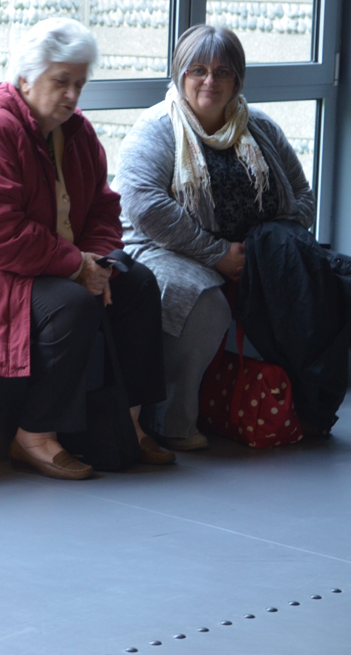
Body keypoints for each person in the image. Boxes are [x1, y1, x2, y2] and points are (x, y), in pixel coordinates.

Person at [0, 18, 173, 479]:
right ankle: (33, 435)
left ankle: (129, 423)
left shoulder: (77, 132)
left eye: (79, 83)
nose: (72, 95)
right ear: (24, 78)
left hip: (49, 262)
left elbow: (103, 207)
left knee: (137, 283)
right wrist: (76, 266)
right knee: (72, 305)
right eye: (61, 81)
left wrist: (97, 261)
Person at [115, 25, 348, 449]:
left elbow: (302, 195)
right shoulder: (158, 128)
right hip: (167, 247)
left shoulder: (259, 127)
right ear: (181, 74)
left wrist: (264, 247)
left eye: (223, 72)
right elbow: (144, 206)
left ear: (237, 79)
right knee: (202, 302)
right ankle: (172, 422)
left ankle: (304, 407)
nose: (210, 81)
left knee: (313, 281)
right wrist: (217, 253)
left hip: (250, 251)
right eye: (198, 70)